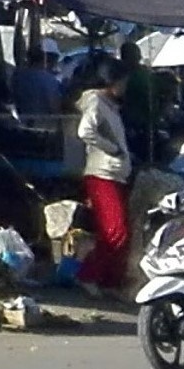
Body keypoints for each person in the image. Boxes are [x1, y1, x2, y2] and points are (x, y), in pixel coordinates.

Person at [71, 62, 135, 294]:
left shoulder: (111, 106)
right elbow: (85, 131)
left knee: (119, 232)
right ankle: (88, 275)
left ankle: (109, 282)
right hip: (102, 175)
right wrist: (113, 149)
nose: (125, 86)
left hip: (116, 174)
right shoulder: (96, 101)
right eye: (123, 81)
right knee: (116, 231)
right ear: (112, 81)